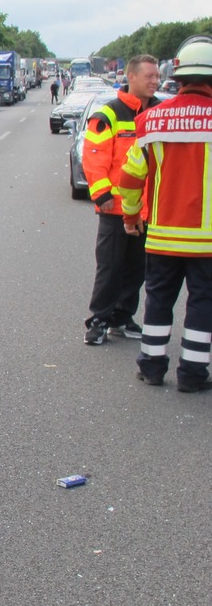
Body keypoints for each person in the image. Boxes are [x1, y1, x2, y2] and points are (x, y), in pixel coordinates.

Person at [118, 37, 212, 391]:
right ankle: (192, 375)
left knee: (158, 300)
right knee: (203, 305)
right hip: (208, 242)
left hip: (161, 236)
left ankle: (152, 367)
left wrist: (130, 216)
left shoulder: (151, 120)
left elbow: (129, 178)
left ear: (180, 76)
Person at [81, 53, 162, 345]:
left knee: (137, 268)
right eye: (149, 76)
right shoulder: (110, 113)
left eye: (157, 76)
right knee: (110, 267)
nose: (155, 81)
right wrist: (101, 193)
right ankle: (99, 320)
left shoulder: (161, 112)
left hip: (149, 210)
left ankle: (122, 317)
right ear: (131, 77)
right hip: (115, 209)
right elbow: (94, 157)